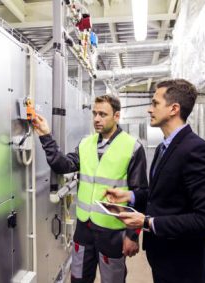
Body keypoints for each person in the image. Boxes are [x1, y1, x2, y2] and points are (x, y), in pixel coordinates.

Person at [106, 79, 205, 283]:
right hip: (162, 259)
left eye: (155, 103)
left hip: (183, 267)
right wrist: (131, 195)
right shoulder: (165, 147)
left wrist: (147, 222)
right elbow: (163, 196)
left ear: (174, 109)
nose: (149, 110)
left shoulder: (197, 150)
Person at [32, 95, 148, 283]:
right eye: (95, 113)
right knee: (78, 278)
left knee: (113, 280)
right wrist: (46, 136)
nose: (96, 118)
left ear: (116, 116)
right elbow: (63, 165)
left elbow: (141, 195)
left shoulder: (132, 147)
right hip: (84, 229)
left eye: (103, 114)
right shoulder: (86, 144)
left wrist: (132, 235)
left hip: (112, 232)